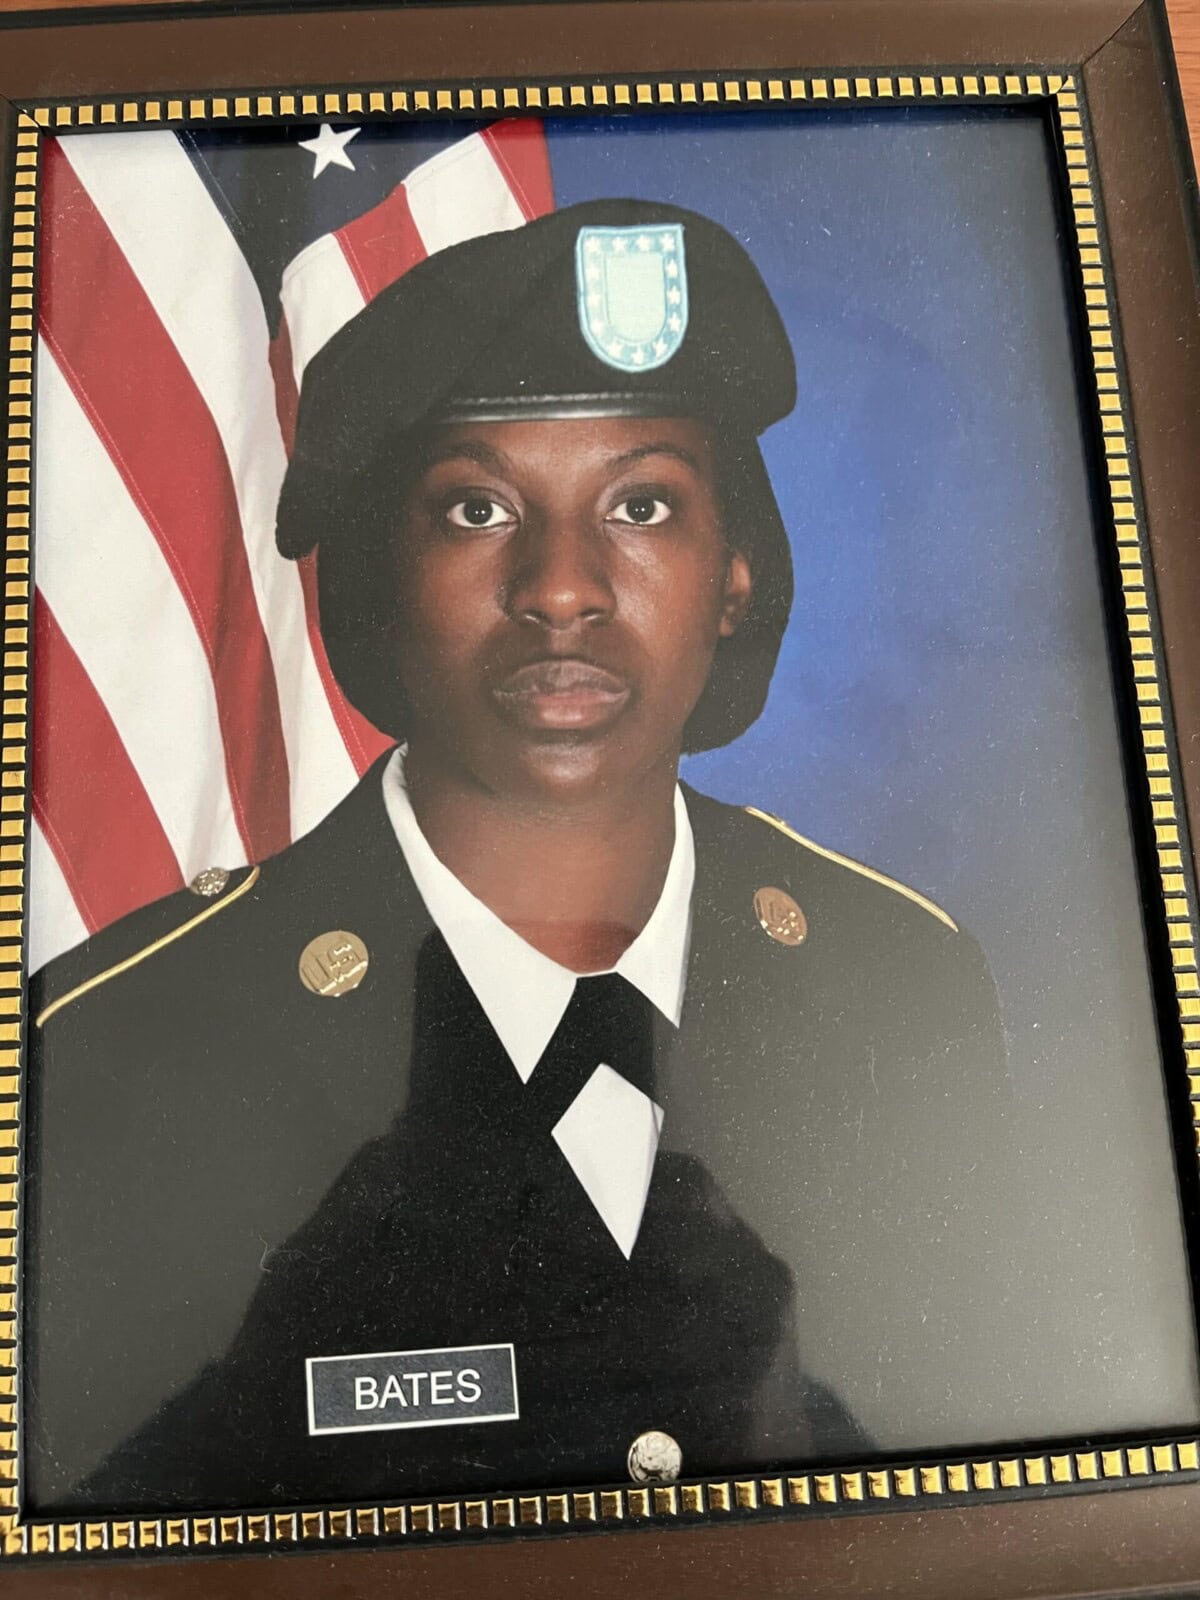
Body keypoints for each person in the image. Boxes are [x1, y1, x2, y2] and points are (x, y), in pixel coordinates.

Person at [25, 198, 1008, 1515]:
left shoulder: (904, 983)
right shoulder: (126, 1042)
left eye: (644, 502)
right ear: (381, 576)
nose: (560, 584)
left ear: (736, 570)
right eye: (478, 505)